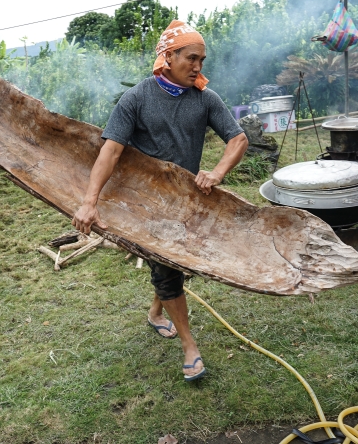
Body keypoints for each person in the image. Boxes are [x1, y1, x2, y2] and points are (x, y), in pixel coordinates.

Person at [72, 20, 249, 381]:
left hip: (187, 200)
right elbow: (110, 152)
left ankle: (156, 313)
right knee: (167, 269)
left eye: (202, 59)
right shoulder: (135, 99)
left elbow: (238, 140)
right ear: (168, 57)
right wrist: (89, 202)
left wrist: (215, 174)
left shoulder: (205, 99)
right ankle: (189, 346)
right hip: (145, 204)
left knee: (176, 263)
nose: (198, 67)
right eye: (191, 58)